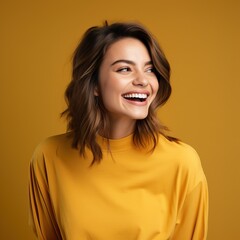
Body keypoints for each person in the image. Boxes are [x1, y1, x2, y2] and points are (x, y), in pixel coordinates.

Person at [29, 21, 208, 240]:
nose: (143, 80)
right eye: (125, 69)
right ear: (94, 84)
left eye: (150, 69)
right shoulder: (49, 157)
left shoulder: (182, 162)